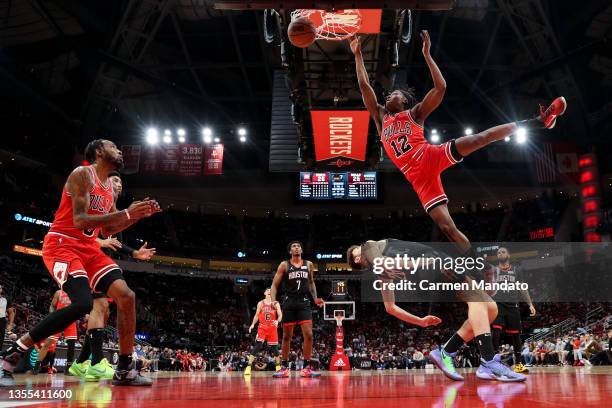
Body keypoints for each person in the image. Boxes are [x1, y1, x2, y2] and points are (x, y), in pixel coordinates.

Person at [349, 31, 567, 256]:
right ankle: (477, 265)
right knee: (447, 228)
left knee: (481, 138)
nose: (388, 97)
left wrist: (426, 54)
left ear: (404, 100)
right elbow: (365, 87)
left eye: (394, 93)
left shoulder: (415, 113)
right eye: (387, 96)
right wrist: (357, 55)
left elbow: (441, 88)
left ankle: (540, 121)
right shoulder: (381, 118)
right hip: (419, 179)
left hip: (431, 154)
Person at [0, 139, 161, 387]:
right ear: (99, 152)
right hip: (62, 244)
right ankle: (15, 351)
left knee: (126, 296)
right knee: (83, 304)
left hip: (88, 249)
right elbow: (80, 220)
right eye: (113, 146)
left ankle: (125, 369)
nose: (119, 150)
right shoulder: (82, 174)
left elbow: (108, 230)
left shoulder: (108, 188)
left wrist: (136, 216)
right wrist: (127, 213)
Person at [347, 239, 526, 382]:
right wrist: (421, 263)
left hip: (436, 261)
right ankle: (488, 360)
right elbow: (381, 262)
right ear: (357, 259)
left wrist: (421, 321)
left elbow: (390, 307)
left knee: (491, 309)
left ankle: (447, 351)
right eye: (357, 256)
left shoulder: (381, 268)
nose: (360, 254)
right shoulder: (369, 247)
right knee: (478, 301)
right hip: (433, 265)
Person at [70, 170, 155, 381]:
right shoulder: (96, 199)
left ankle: (81, 363)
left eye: (120, 182)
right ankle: (97, 363)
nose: (117, 184)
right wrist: (100, 242)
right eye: (113, 180)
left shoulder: (112, 209)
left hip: (100, 261)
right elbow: (82, 230)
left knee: (104, 311)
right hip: (86, 259)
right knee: (101, 308)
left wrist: (134, 252)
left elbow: (111, 237)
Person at [271, 241, 324, 378]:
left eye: (298, 246)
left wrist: (315, 298)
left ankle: (306, 367)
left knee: (309, 335)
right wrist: (273, 300)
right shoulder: (284, 265)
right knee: (287, 336)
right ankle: (284, 367)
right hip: (289, 301)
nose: (296, 248)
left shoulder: (309, 264)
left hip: (304, 301)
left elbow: (311, 283)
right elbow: (274, 285)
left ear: (301, 250)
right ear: (290, 251)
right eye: (294, 246)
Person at [490, 247, 536, 374]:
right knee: (496, 330)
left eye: (503, 251)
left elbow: (522, 288)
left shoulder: (516, 270)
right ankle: (495, 362)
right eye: (498, 252)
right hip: (497, 304)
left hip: (512, 305)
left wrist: (530, 304)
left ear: (508, 254)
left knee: (516, 334)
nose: (500, 254)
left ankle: (519, 364)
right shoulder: (494, 270)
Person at [244, 288, 283, 376]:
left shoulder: (275, 303)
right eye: (268, 290)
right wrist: (252, 324)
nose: (269, 291)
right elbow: (257, 315)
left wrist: (277, 321)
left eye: (271, 290)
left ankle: (278, 367)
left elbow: (280, 315)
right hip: (262, 327)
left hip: (272, 327)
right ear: (265, 293)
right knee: (258, 346)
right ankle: (248, 367)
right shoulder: (260, 303)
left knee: (275, 349)